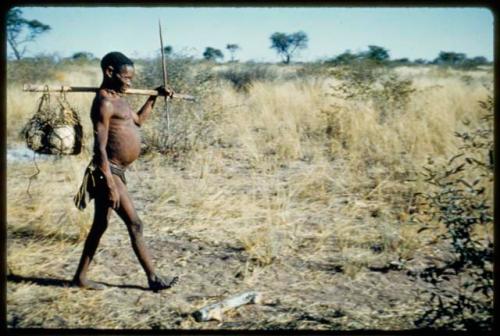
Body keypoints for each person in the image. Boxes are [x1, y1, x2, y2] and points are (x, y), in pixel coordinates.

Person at [73, 51, 177, 291]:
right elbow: (99, 149)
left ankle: (80, 277)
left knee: (100, 225)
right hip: (108, 170)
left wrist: (154, 96)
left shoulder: (120, 97)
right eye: (126, 78)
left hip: (116, 171)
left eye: (131, 79)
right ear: (109, 72)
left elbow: (138, 120)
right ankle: (153, 279)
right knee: (135, 224)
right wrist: (109, 183)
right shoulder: (105, 102)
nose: (129, 83)